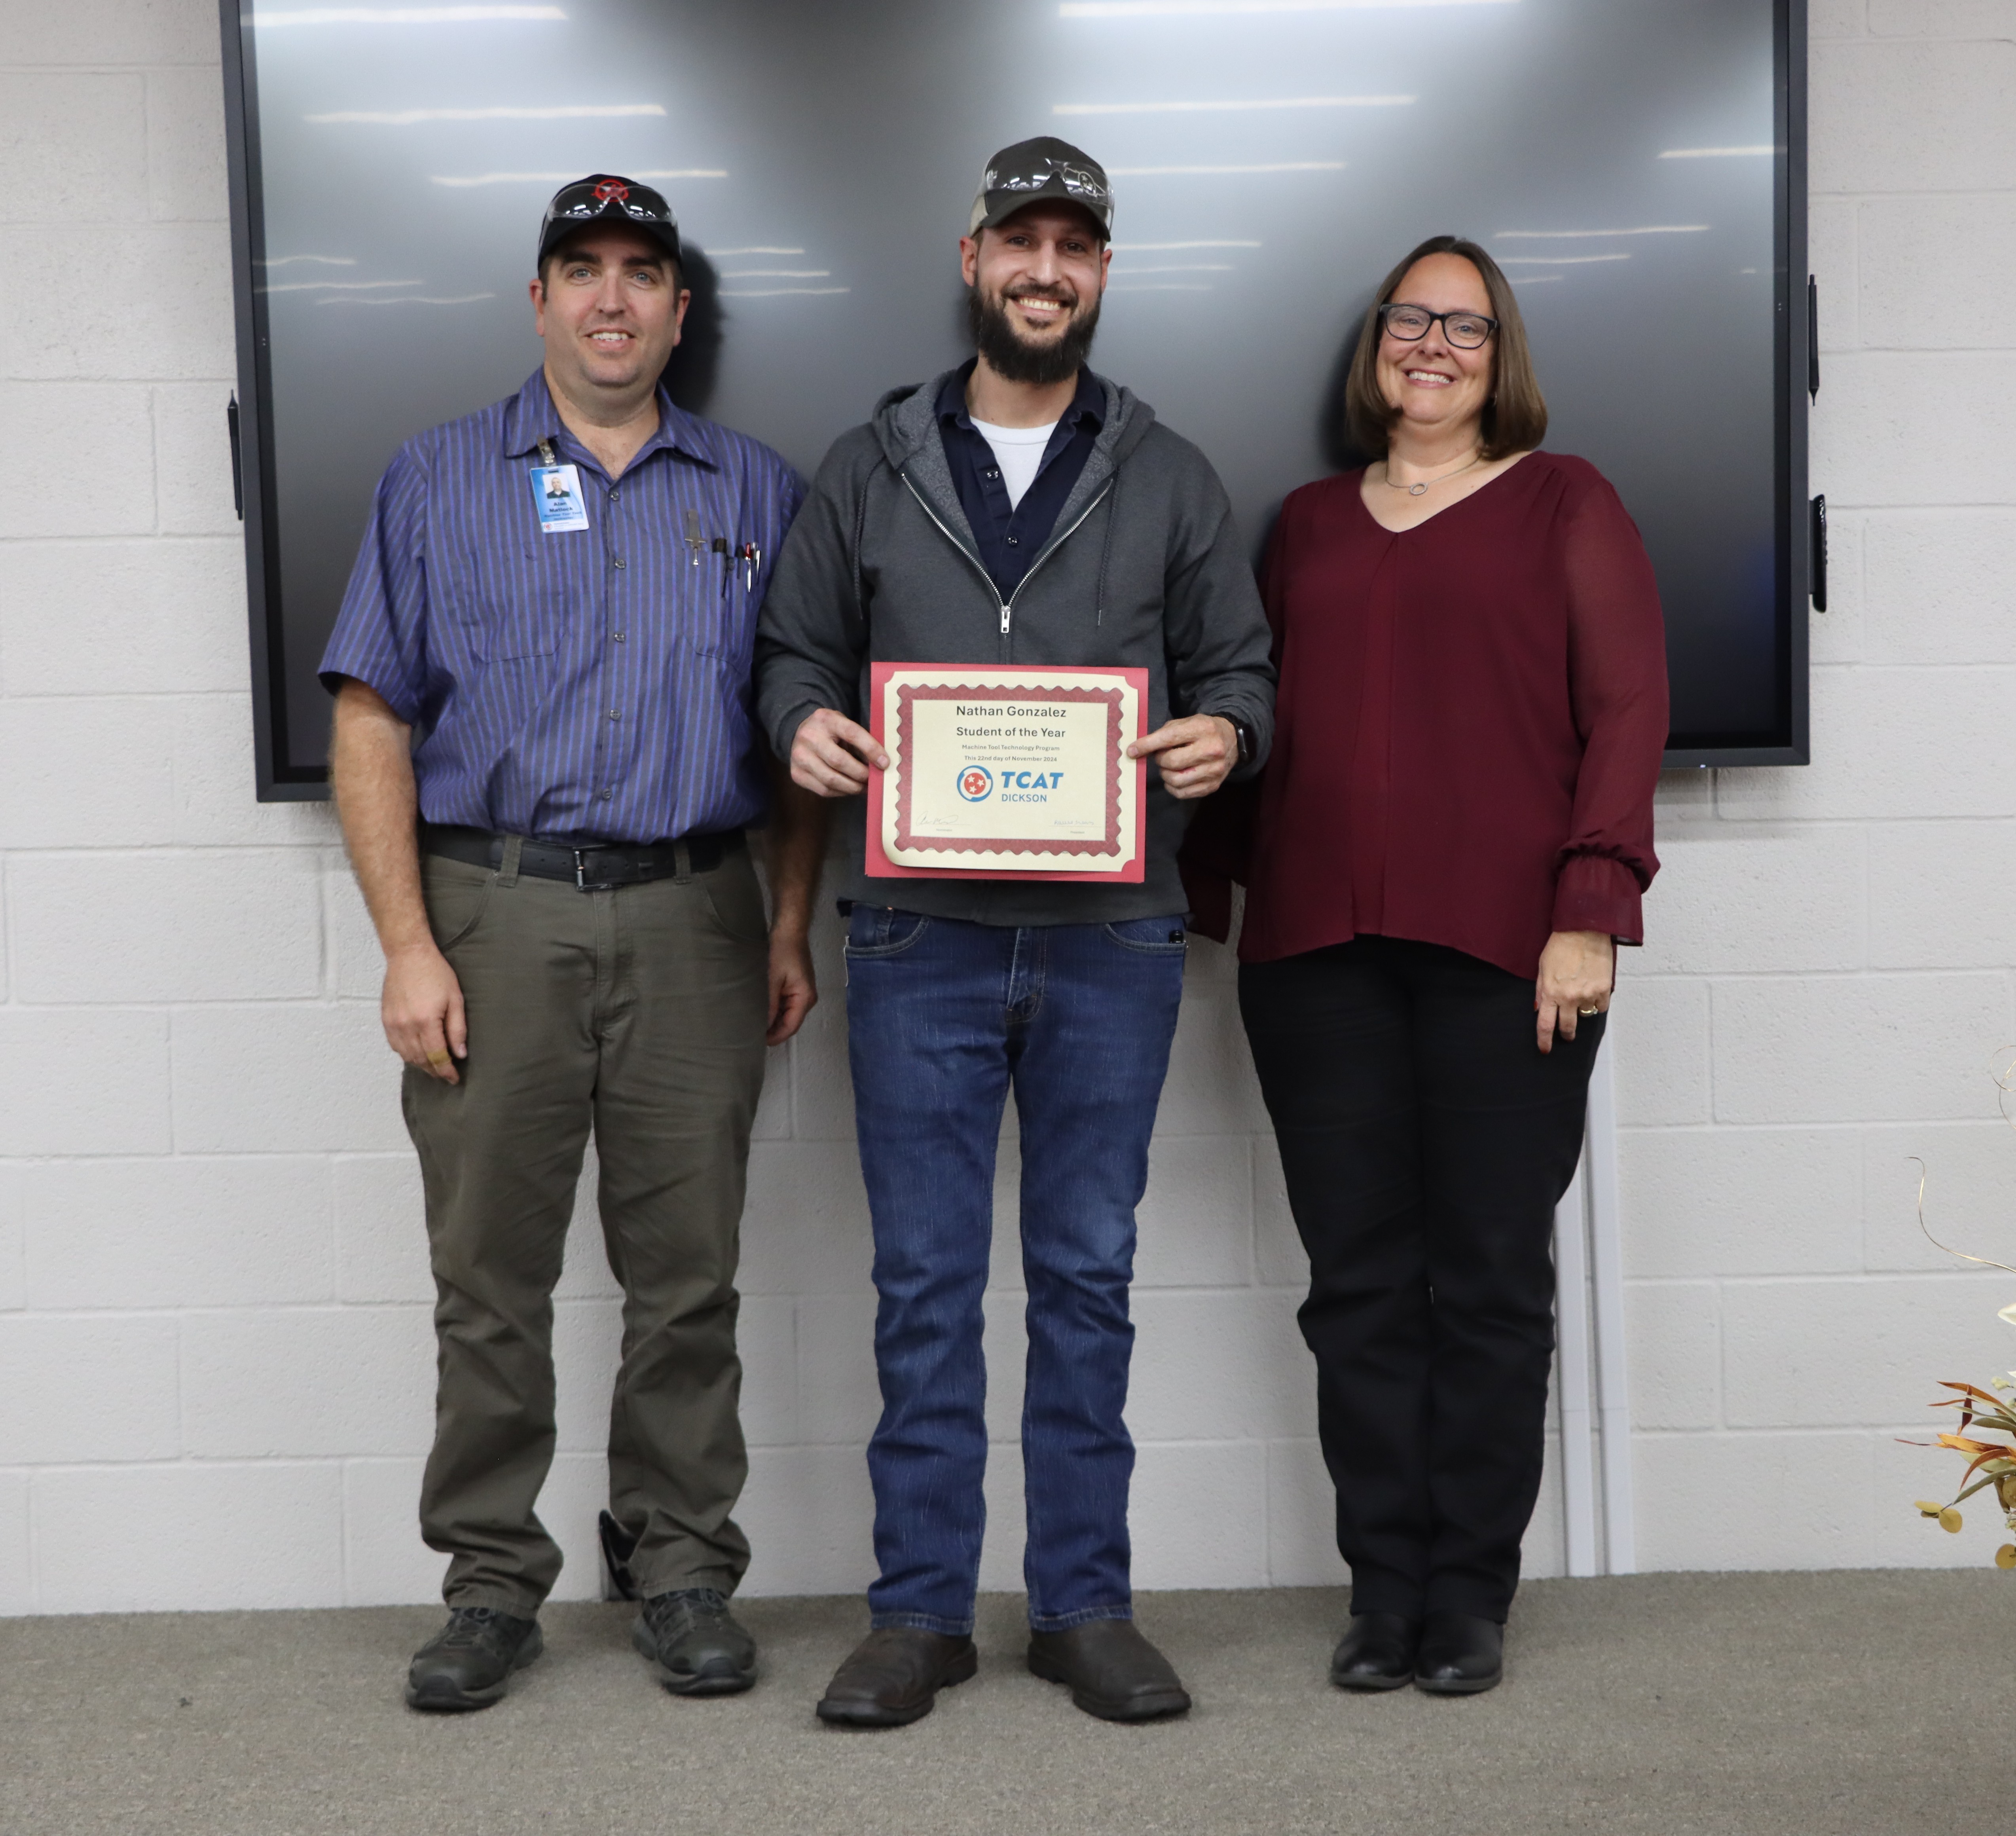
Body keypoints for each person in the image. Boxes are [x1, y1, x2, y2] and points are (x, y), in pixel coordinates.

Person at [755, 137, 1275, 1727]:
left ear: (1099, 274)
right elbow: (791, 654)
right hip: (918, 932)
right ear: (970, 258)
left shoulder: (1170, 470)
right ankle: (916, 1613)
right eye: (1019, 242)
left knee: (1084, 1276)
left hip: (1113, 938)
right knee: (920, 1283)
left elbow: (1239, 671)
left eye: (1074, 247)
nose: (1045, 270)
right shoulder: (870, 461)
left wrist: (1223, 741)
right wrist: (805, 728)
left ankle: (1081, 1606)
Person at [319, 174, 820, 1712]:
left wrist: (788, 923)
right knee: (490, 1276)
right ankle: (487, 1583)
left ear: (681, 308)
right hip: (495, 911)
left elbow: (805, 731)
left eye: (642, 273)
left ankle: (677, 1568)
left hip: (697, 915)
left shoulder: (758, 495)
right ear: (537, 299)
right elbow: (370, 718)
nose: (612, 299)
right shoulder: (435, 477)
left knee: (688, 1279)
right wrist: (408, 944)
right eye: (580, 270)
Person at [1185, 235, 1667, 1696]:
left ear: (1500, 352)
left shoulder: (1566, 501)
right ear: (1376, 346)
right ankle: (1382, 1589)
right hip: (1317, 954)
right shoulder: (1311, 523)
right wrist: (1195, 889)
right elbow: (1252, 718)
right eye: (1412, 320)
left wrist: (1589, 909)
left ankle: (1469, 1596)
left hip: (1508, 954)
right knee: (1360, 1285)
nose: (1435, 347)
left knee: (1494, 1281)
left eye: (1466, 325)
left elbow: (1629, 712)